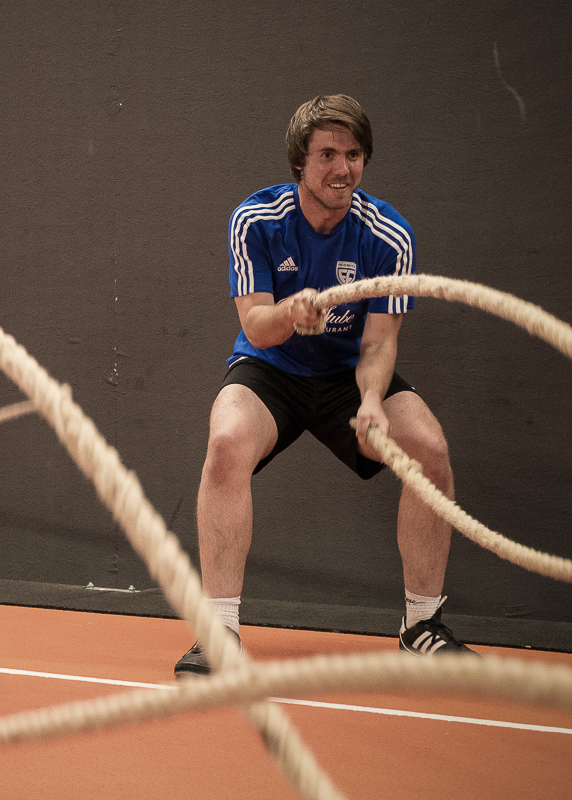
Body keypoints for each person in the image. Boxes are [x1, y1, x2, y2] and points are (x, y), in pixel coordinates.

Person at [175, 94, 475, 678]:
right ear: (299, 163)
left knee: (430, 451)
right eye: (329, 154)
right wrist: (292, 312)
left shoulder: (389, 235)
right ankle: (220, 634)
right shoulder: (255, 220)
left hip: (349, 375)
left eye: (355, 155)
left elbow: (380, 342)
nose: (344, 168)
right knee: (227, 442)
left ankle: (421, 627)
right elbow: (257, 328)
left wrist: (369, 402)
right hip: (274, 367)